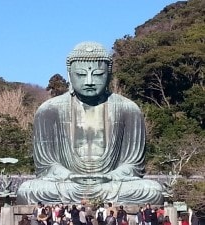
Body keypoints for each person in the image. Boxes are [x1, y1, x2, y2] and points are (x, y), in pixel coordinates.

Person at [17, 41, 163, 205]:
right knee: (28, 190)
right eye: (80, 74)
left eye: (98, 74)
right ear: (70, 74)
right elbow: (46, 165)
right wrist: (68, 176)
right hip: (67, 183)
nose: (89, 81)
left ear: (109, 75)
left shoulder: (128, 109)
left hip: (112, 183)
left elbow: (133, 165)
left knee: (152, 190)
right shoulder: (49, 110)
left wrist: (112, 176)